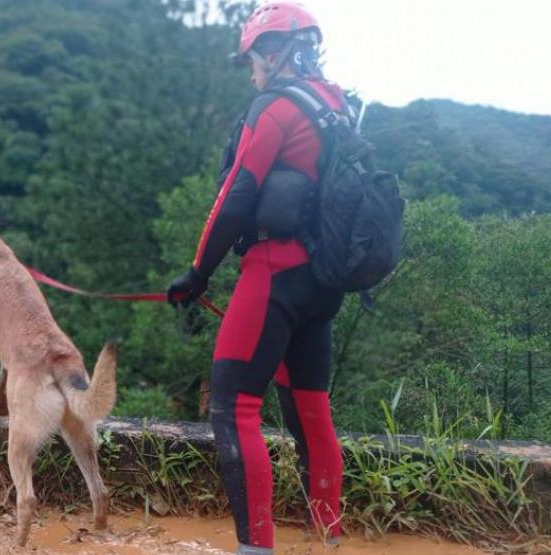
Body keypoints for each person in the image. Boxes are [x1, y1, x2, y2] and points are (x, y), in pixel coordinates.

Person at [166, 3, 347, 554]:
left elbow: (236, 197)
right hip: (322, 282)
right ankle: (328, 541)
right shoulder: (336, 104)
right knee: (312, 412)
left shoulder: (276, 108)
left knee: (234, 408)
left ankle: (256, 550)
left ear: (275, 52)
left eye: (253, 59)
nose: (251, 71)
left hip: (274, 273)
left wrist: (198, 274)